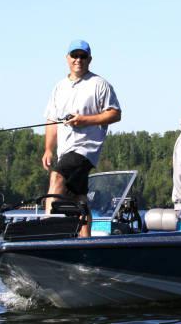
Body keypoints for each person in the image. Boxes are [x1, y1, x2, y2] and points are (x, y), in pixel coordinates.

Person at [42, 39, 121, 237]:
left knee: (57, 177)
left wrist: (84, 120)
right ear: (67, 58)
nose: (78, 60)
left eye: (82, 56)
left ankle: (45, 228)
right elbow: (52, 121)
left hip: (86, 149)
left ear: (89, 59)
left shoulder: (99, 84)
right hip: (65, 150)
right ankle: (86, 240)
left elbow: (115, 114)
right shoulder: (59, 87)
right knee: (79, 197)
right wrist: (48, 149)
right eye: (74, 55)